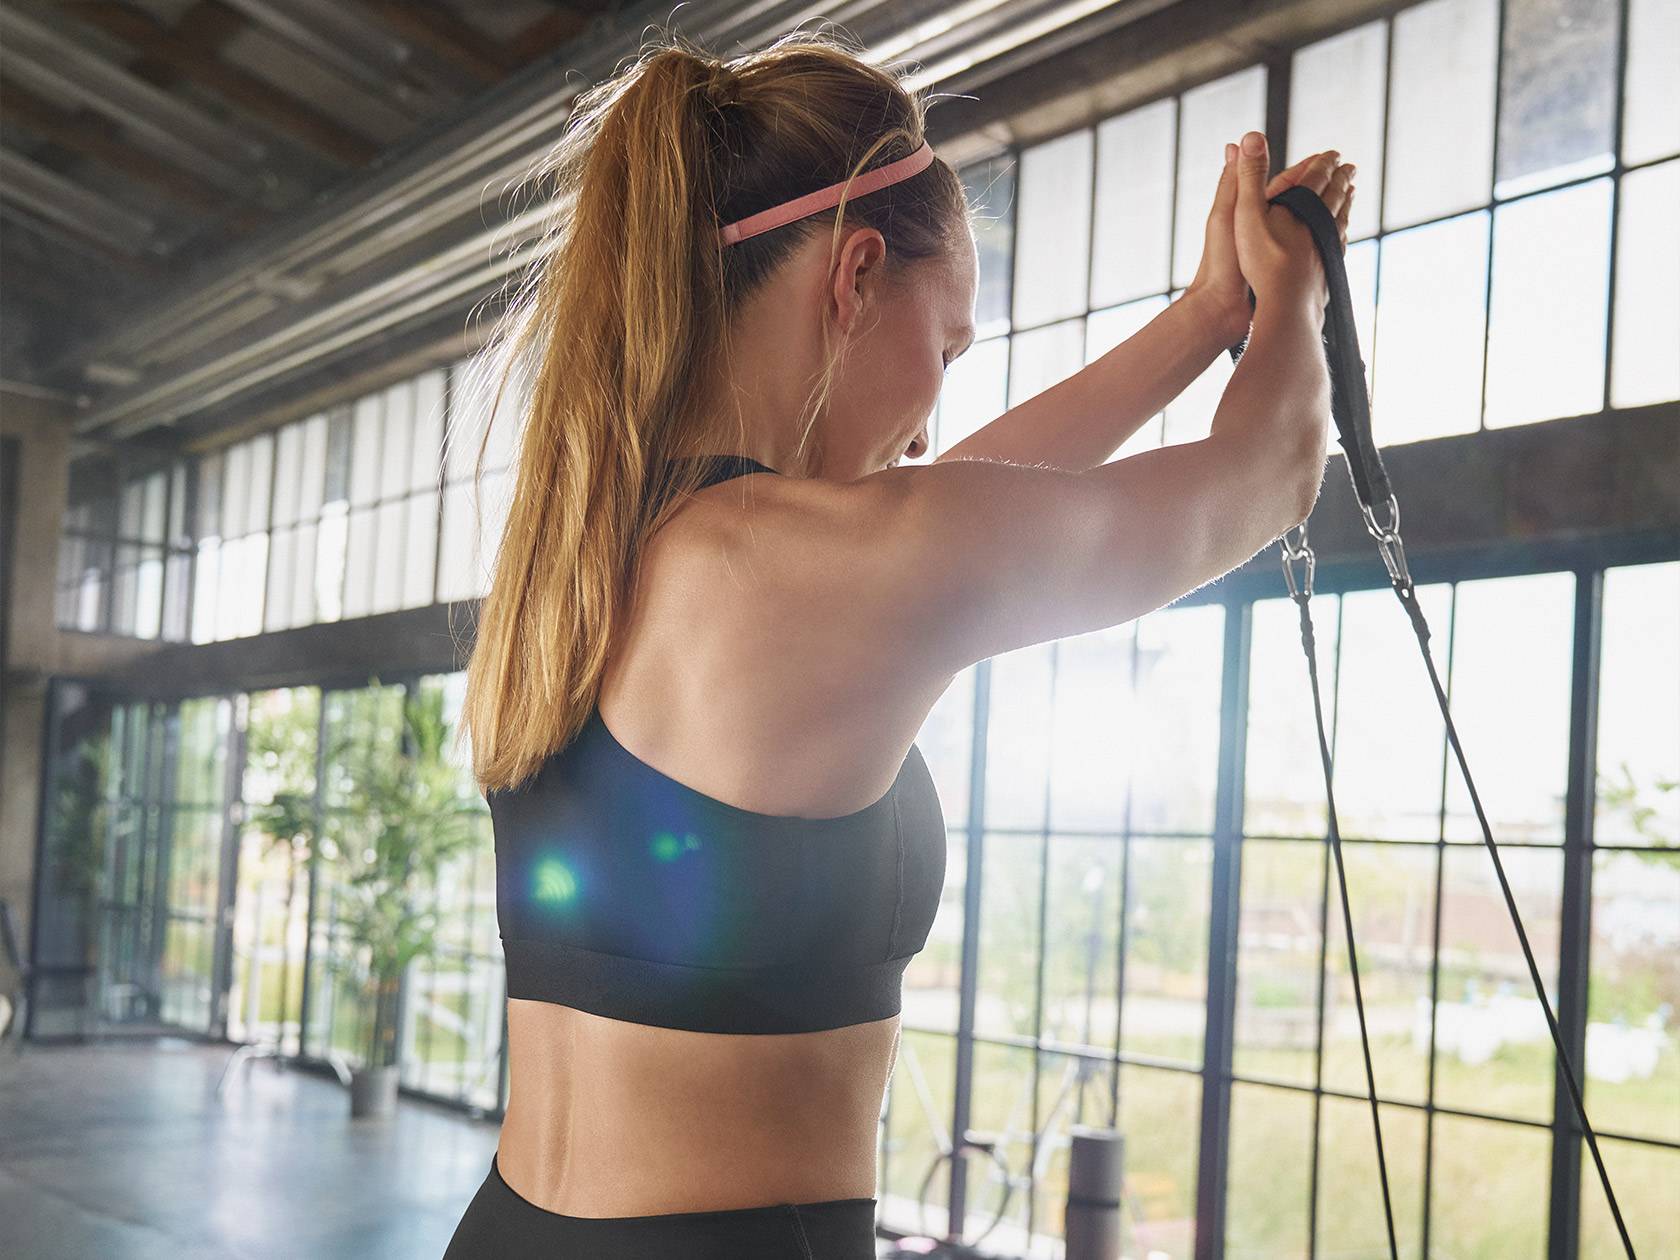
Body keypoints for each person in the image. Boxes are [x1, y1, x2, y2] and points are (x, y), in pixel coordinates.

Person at [443, 28, 1353, 1260]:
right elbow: (1268, 472)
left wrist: (1204, 321)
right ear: (855, 276)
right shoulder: (793, 569)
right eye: (947, 347)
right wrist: (1294, 288)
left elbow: (965, 493)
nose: (928, 433)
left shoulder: (602, 551)